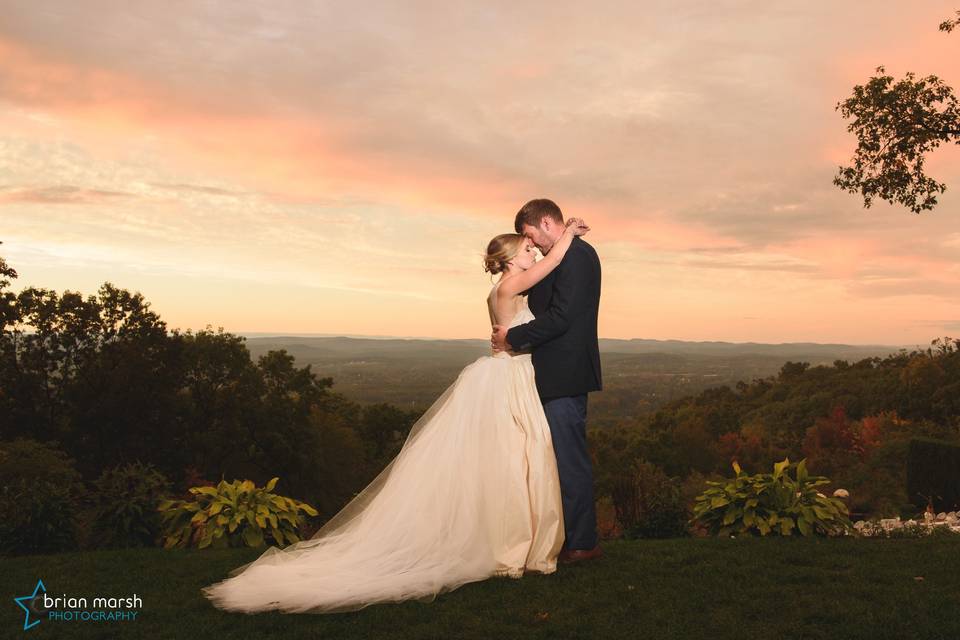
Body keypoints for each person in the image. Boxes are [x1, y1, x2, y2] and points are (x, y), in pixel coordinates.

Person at [202, 215, 590, 614]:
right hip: (511, 378)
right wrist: (569, 233)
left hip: (505, 374)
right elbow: (555, 262)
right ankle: (515, 547)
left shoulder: (497, 290)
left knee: (508, 461)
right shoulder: (512, 284)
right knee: (516, 461)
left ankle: (511, 543)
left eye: (533, 247)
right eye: (526, 248)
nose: (533, 251)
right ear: (509, 259)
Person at [491, 198, 603, 563]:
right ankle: (559, 537)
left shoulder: (577, 257)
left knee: (570, 461)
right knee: (549, 461)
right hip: (543, 375)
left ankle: (583, 543)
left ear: (544, 223)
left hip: (565, 375)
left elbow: (561, 317)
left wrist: (513, 339)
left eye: (530, 236)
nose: (533, 245)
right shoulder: (561, 256)